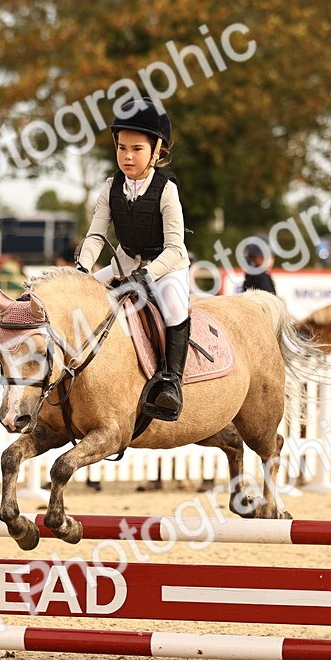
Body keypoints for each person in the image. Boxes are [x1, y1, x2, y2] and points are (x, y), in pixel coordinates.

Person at [76, 98, 191, 421]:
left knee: (174, 309)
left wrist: (148, 274)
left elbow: (176, 248)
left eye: (137, 149)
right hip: (123, 266)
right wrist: (83, 269)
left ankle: (171, 384)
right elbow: (96, 234)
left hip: (166, 269)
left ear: (157, 151)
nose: (127, 156)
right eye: (122, 147)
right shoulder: (111, 187)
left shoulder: (166, 190)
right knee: (82, 297)